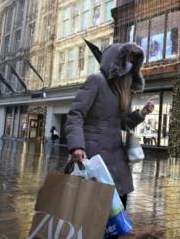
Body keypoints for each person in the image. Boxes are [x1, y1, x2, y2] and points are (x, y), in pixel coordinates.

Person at [65, 42, 154, 239]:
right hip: (93, 156)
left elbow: (121, 123)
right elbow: (75, 115)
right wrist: (77, 146)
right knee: (92, 213)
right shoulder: (96, 81)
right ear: (117, 60)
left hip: (116, 158)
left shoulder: (123, 91)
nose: (130, 63)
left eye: (133, 60)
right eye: (128, 58)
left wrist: (141, 113)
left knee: (116, 210)